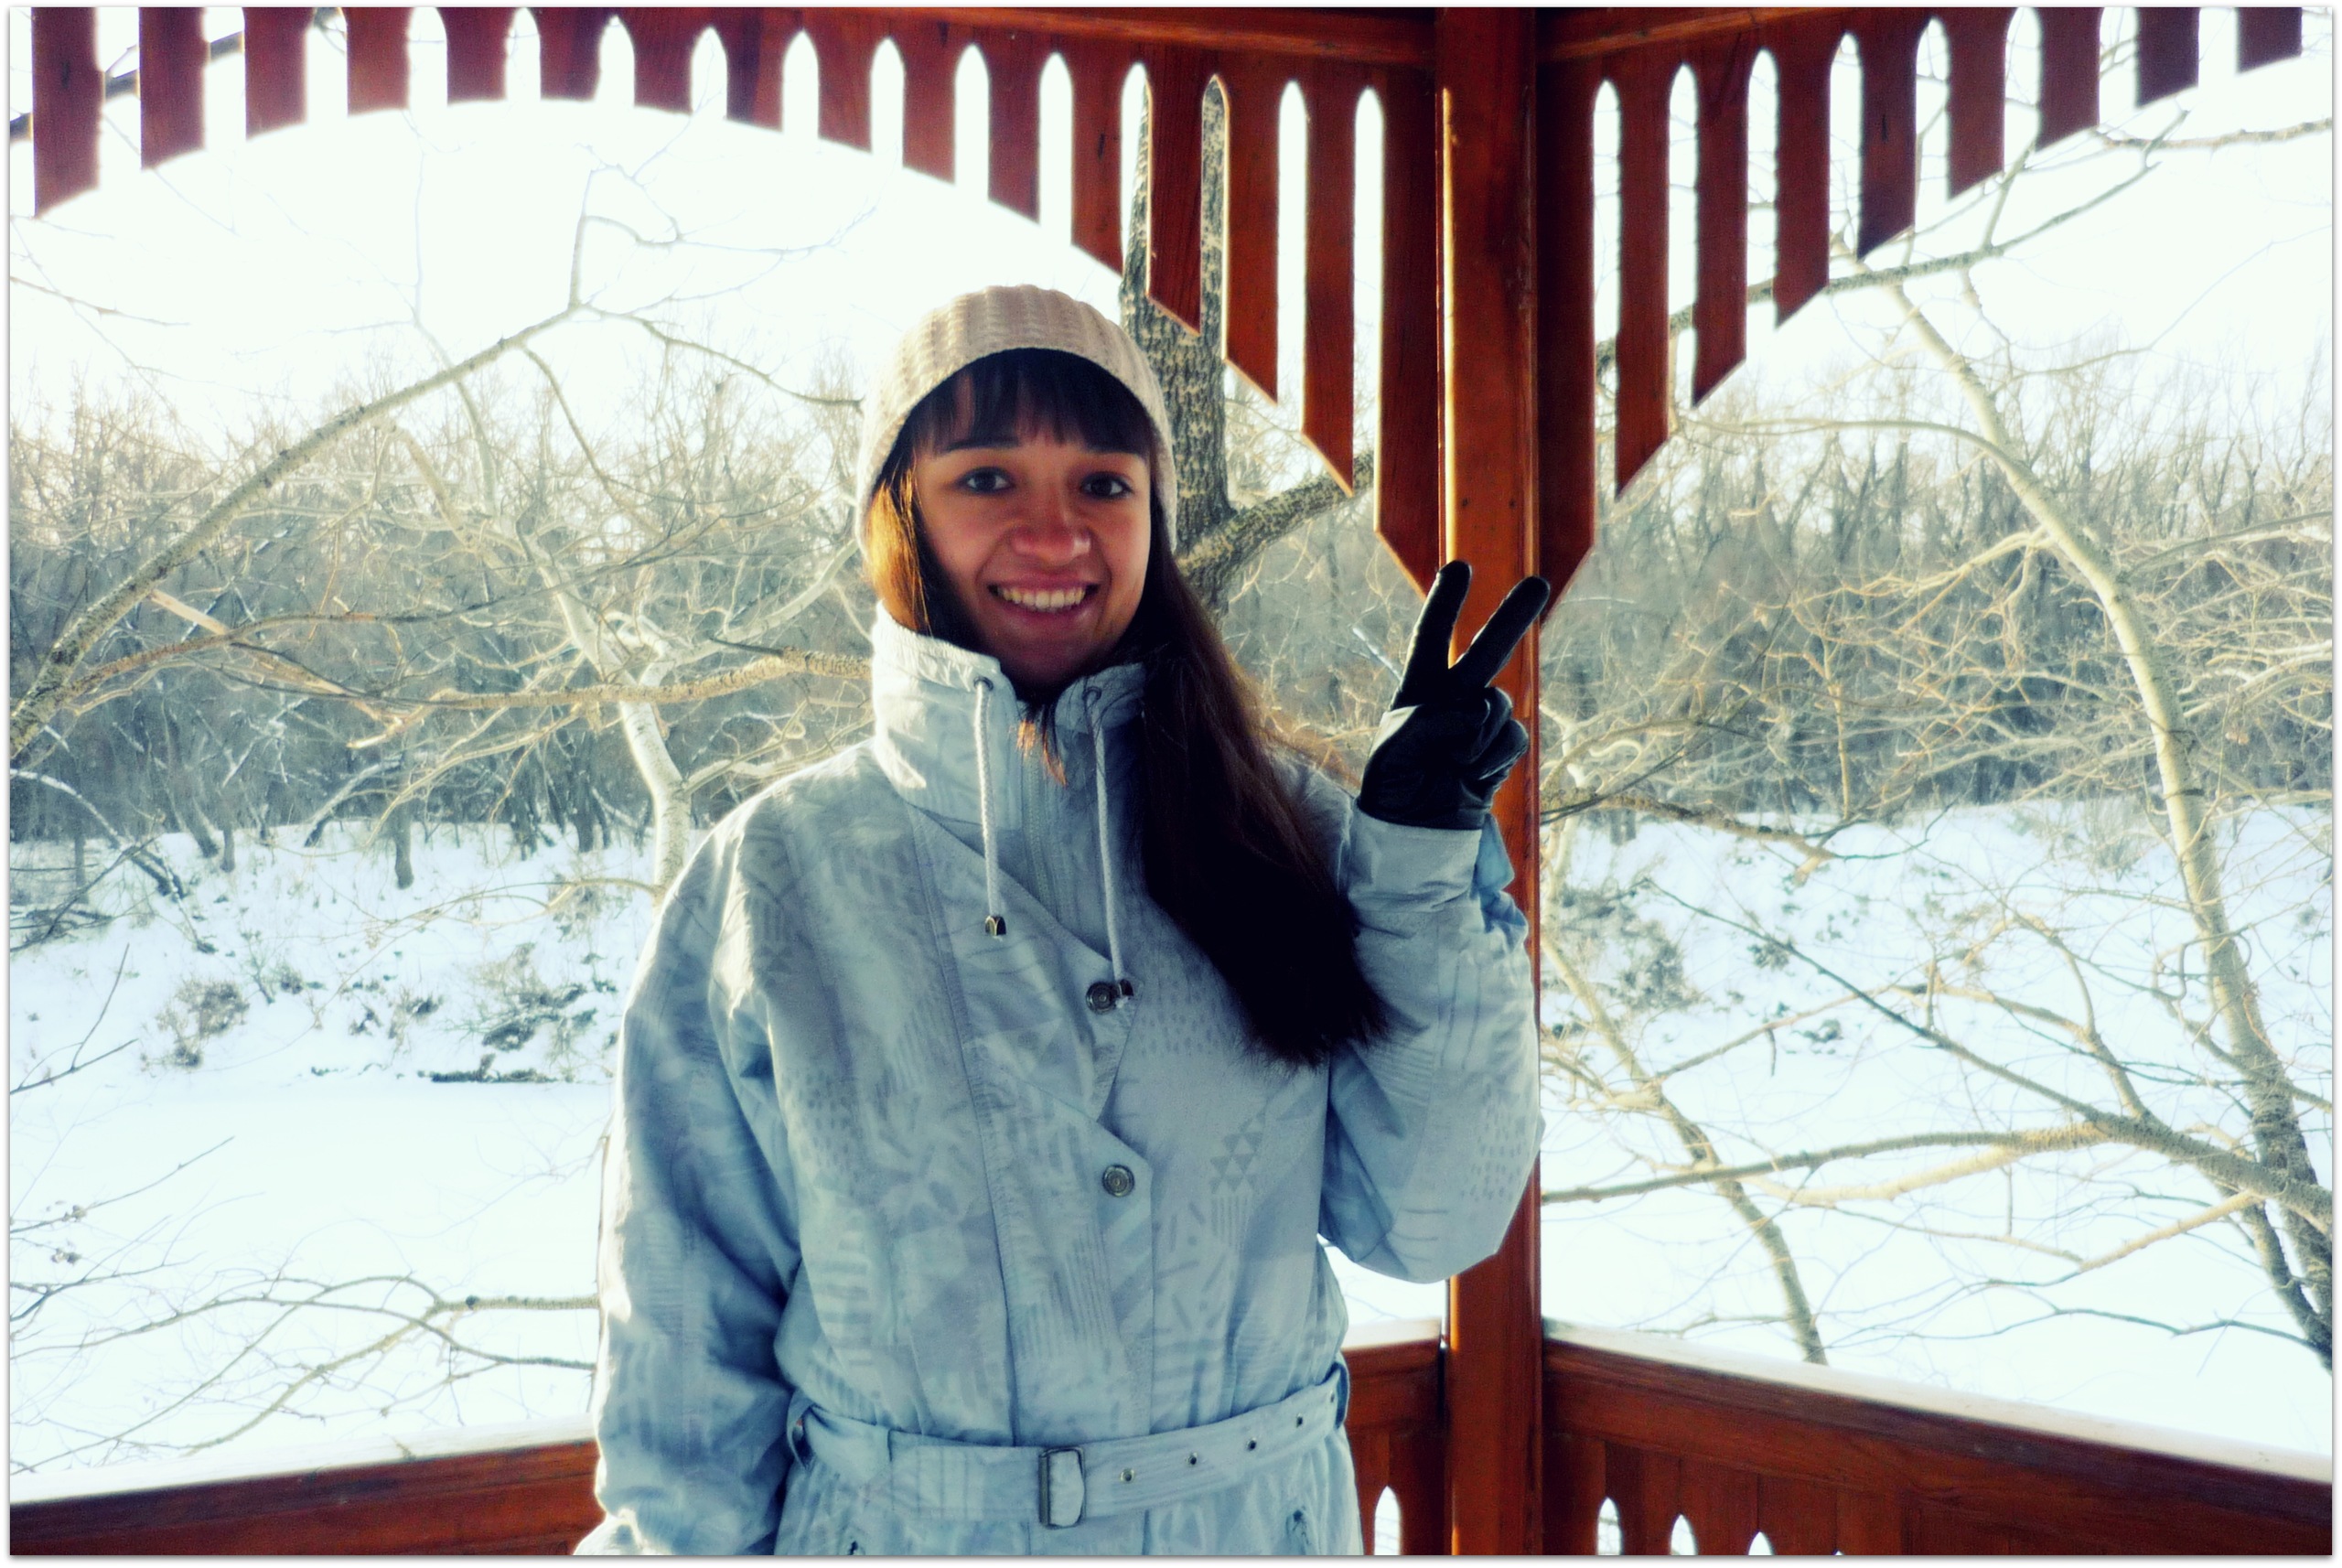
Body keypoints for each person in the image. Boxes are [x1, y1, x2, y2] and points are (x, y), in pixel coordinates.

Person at [578, 285, 1547, 1556]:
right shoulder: (774, 879)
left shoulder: (1289, 832)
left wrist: (1418, 865)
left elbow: (1434, 1219)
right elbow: (684, 1344)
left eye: (1103, 483)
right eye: (986, 478)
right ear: (897, 513)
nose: (1055, 533)